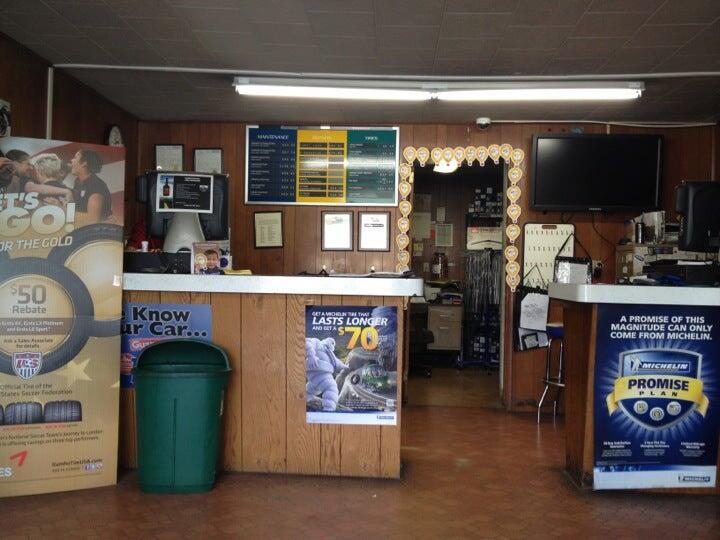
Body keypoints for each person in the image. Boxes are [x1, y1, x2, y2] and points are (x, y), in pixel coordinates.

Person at [305, 337, 348, 411]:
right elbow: (307, 342)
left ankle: (305, 397)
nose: (332, 344)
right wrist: (311, 356)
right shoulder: (318, 343)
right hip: (320, 370)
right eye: (332, 342)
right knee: (331, 388)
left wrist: (345, 367)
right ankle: (329, 410)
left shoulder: (330, 354)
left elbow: (337, 363)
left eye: (333, 343)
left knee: (312, 388)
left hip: (318, 375)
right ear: (327, 341)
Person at [70, 148, 112, 224]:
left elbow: (92, 220)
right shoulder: (78, 181)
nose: (71, 160)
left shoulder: (96, 185)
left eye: (75, 157)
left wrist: (64, 212)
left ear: (84, 163)